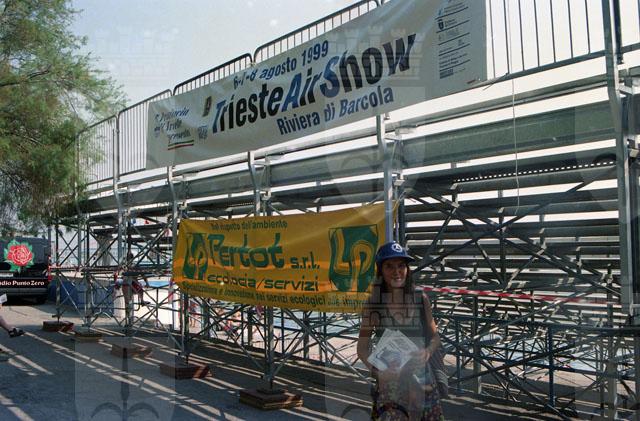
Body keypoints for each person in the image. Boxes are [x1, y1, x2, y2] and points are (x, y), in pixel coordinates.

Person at [357, 241, 444, 420]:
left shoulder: (421, 299)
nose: (396, 271)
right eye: (389, 266)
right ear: (381, 271)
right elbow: (362, 348)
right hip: (391, 385)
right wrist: (378, 373)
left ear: (407, 269)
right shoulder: (373, 305)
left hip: (422, 382)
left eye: (401, 265)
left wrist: (428, 351)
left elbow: (435, 337)